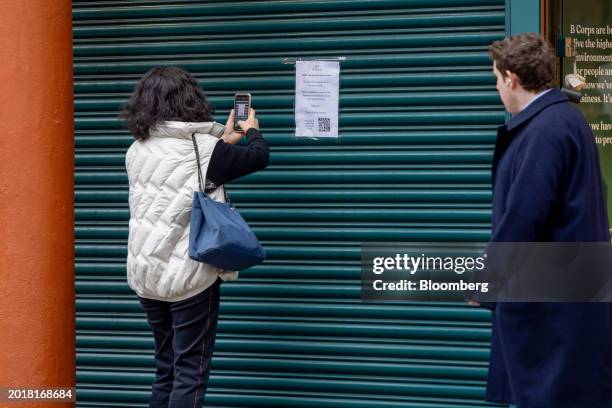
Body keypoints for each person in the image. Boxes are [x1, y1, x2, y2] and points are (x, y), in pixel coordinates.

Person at [472, 33, 612, 408]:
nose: (497, 88)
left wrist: (484, 282)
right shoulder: (565, 120)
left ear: (511, 78)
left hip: (551, 314)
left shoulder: (544, 130)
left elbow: (524, 217)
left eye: (496, 80)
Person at [120, 67, 269, 408]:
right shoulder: (203, 149)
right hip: (189, 276)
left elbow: (182, 177)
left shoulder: (136, 150)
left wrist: (222, 142)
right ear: (191, 100)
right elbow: (259, 157)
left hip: (147, 274)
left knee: (166, 370)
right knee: (190, 373)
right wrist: (252, 131)